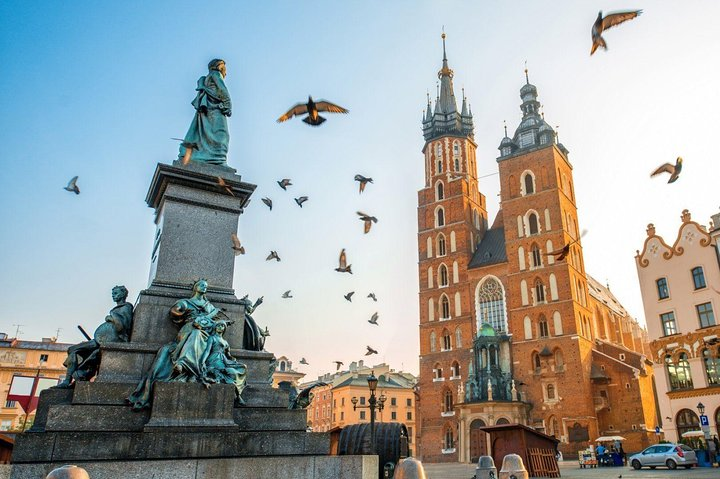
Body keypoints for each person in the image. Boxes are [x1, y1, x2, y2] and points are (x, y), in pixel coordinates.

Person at [56, 285, 133, 388]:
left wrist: (111, 318)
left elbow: (122, 326)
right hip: (100, 340)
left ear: (123, 294)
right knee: (73, 350)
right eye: (112, 294)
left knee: (90, 356)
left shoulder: (126, 307)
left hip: (113, 341)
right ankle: (72, 378)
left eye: (116, 293)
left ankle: (70, 380)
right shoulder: (118, 309)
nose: (113, 296)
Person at [178, 59, 232, 166]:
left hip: (207, 110)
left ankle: (202, 156)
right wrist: (228, 104)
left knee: (204, 135)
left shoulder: (207, 78)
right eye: (224, 67)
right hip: (216, 109)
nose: (226, 71)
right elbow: (222, 89)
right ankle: (218, 160)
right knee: (221, 135)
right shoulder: (216, 74)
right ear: (220, 66)